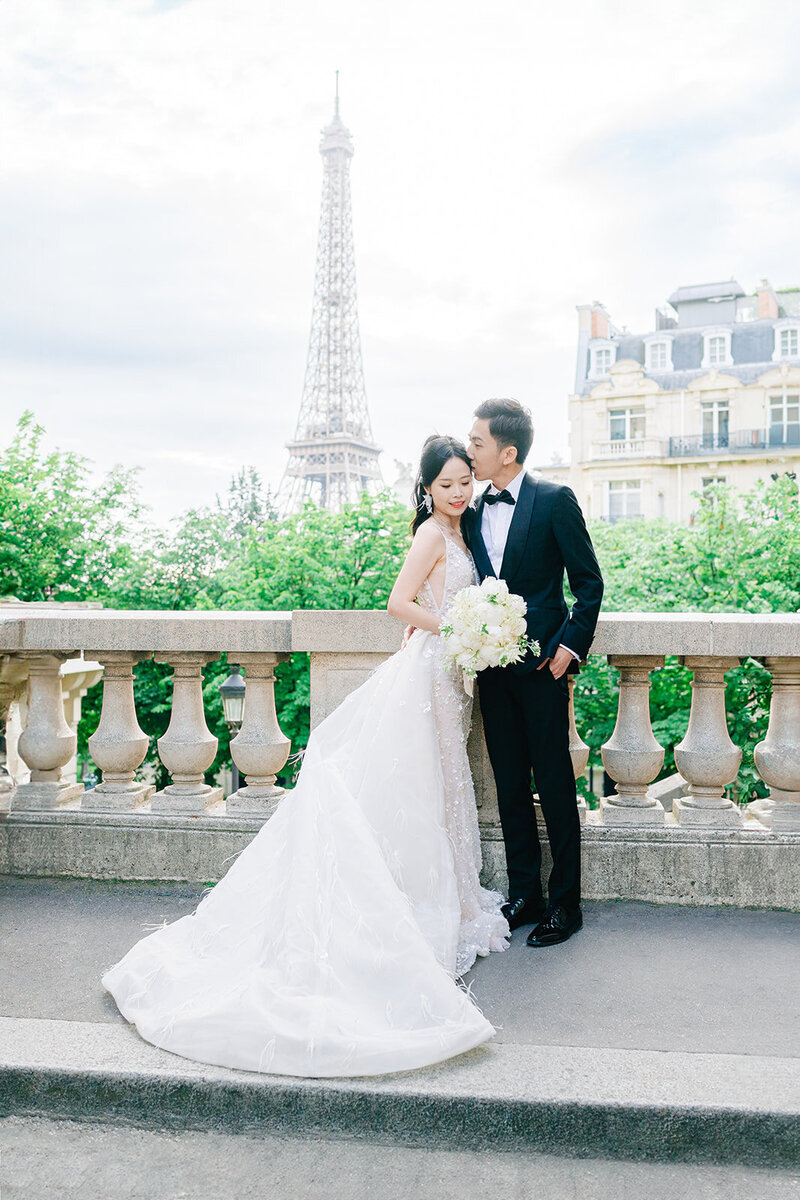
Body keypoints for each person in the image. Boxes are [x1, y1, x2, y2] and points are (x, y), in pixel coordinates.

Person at [102, 435, 509, 1079]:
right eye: (447, 484)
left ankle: (454, 900)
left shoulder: (459, 534)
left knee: (443, 785)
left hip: (446, 676)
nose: (459, 492)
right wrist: (458, 628)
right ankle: (426, 903)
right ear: (427, 489)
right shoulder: (432, 534)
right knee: (422, 788)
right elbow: (398, 604)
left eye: (465, 482)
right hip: (427, 674)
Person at [466, 399, 603, 948]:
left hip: (545, 668)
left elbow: (588, 584)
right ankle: (526, 893)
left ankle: (566, 904)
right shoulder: (471, 509)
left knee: (553, 784)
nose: (469, 449)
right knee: (509, 787)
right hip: (492, 671)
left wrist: (570, 647)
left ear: (508, 452)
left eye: (476, 443)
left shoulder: (554, 500)